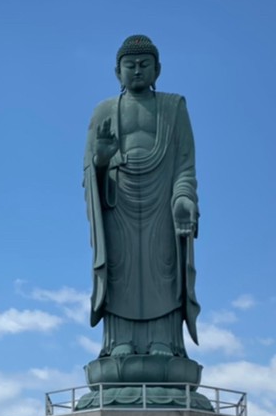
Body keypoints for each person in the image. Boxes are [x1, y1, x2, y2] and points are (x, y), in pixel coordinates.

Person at [84, 34, 200, 360]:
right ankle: (120, 342)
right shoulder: (103, 110)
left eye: (144, 64)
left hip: (163, 203)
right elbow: (88, 171)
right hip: (117, 202)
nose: (136, 70)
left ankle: (164, 342)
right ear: (116, 71)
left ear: (157, 69)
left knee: (162, 269)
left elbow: (185, 163)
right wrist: (102, 161)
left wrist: (183, 198)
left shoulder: (174, 107)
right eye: (129, 65)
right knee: (120, 270)